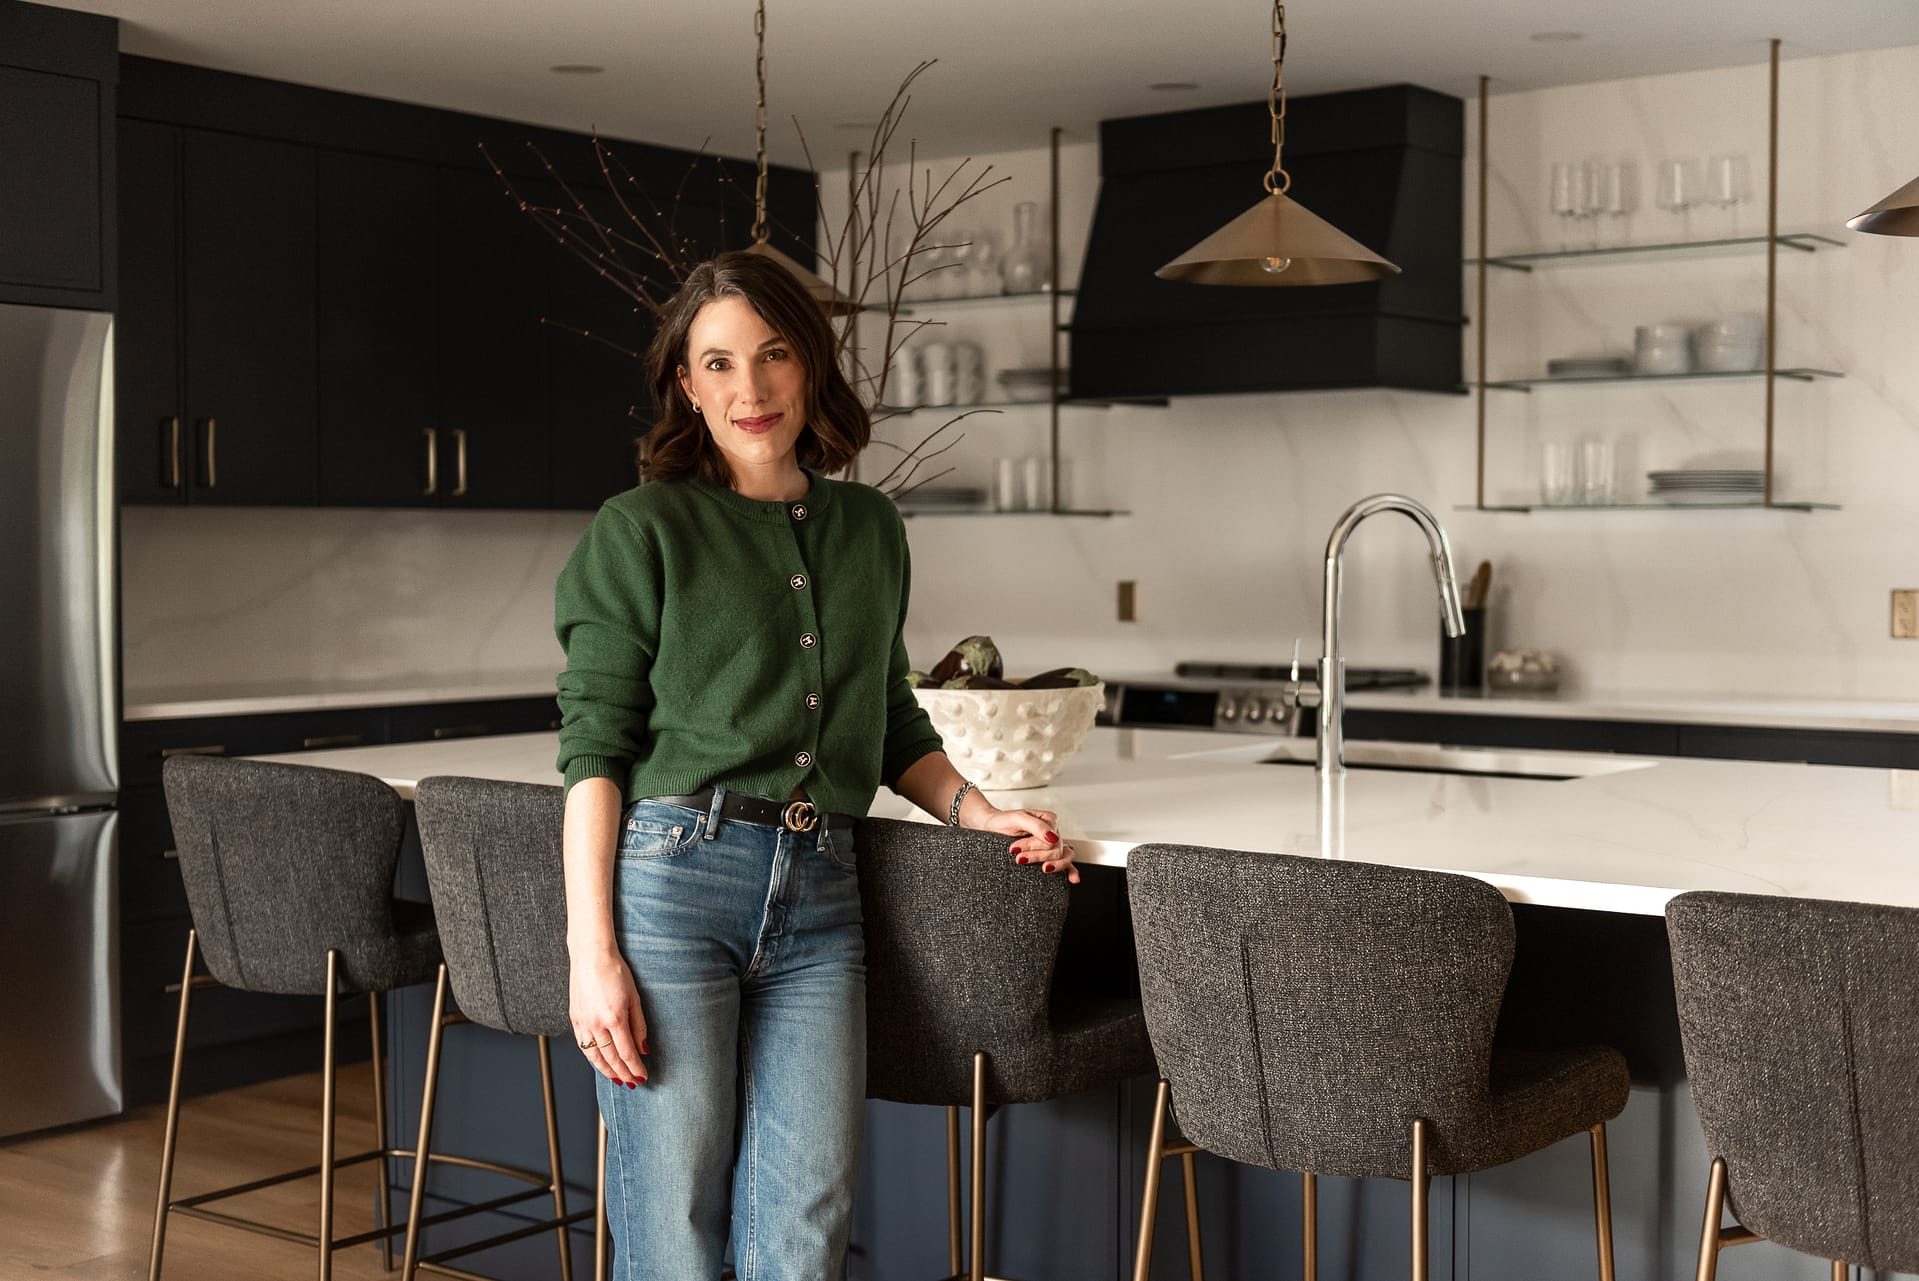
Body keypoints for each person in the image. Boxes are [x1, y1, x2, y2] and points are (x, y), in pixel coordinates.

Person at [553, 250, 1077, 1280]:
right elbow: (594, 750)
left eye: (772, 354)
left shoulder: (869, 528)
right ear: (684, 385)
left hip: (822, 893)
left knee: (806, 1220)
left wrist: (975, 811)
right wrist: (591, 954)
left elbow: (888, 723)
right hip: (675, 880)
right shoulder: (641, 528)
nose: (748, 389)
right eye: (717, 364)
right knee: (674, 1218)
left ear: (811, 364)